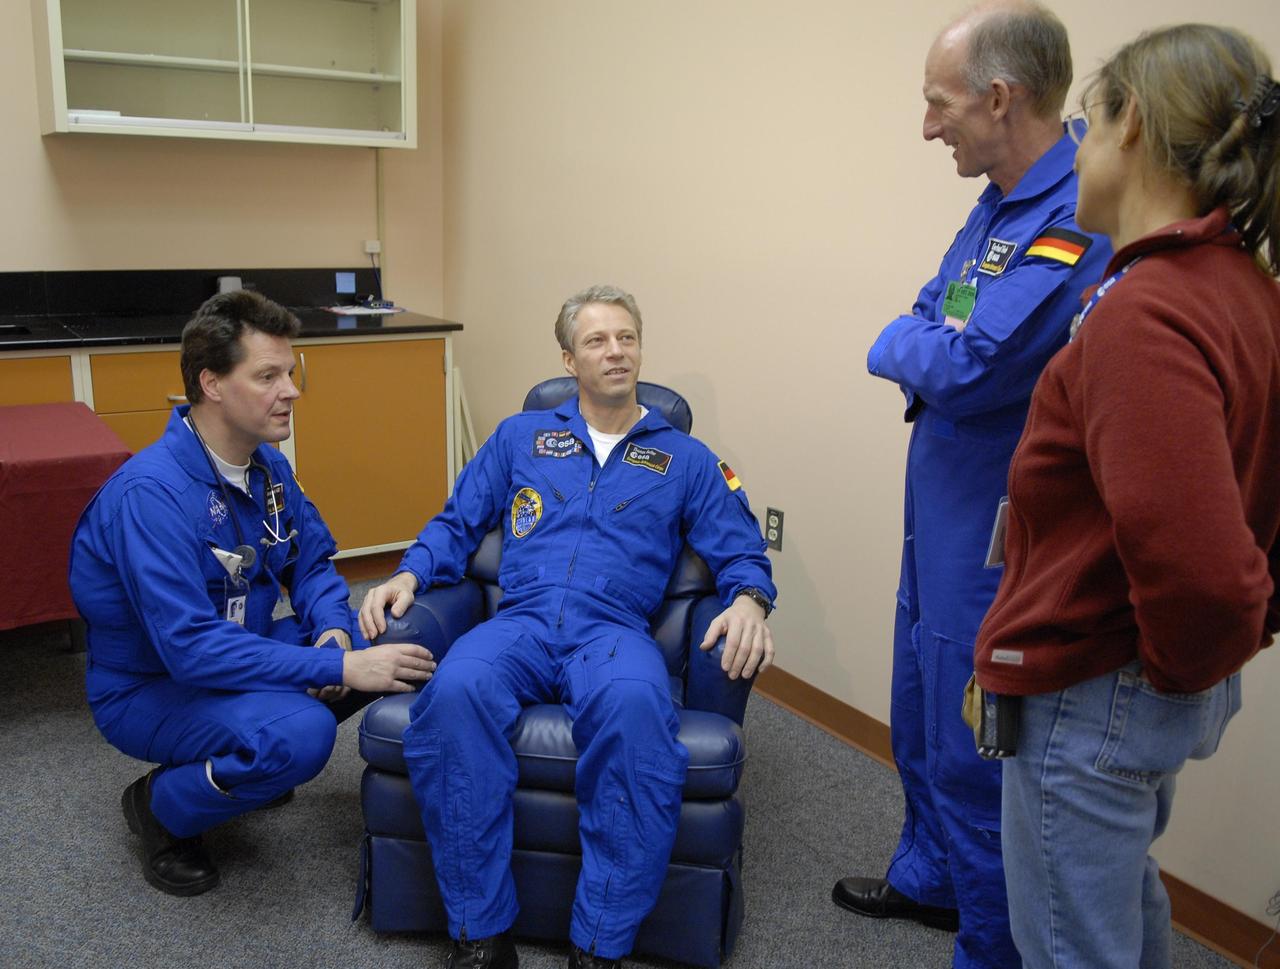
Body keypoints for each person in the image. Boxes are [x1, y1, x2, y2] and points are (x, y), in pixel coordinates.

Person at [974, 24, 1280, 969]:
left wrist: (1155, 675)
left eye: (1087, 123)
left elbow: (1204, 572)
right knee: (1115, 904)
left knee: (1069, 945)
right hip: (1138, 685)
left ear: (1132, 125)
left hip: (1098, 686)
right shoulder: (1238, 286)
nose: (1079, 148)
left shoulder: (1148, 312)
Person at [358, 284, 776, 969]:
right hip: (518, 622)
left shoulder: (688, 459)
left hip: (612, 632)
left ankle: (601, 940)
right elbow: (458, 520)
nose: (615, 351)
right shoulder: (520, 436)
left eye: (626, 337)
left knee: (638, 713)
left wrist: (751, 600)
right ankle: (481, 932)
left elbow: (741, 548)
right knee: (455, 691)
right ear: (568, 358)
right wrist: (410, 570)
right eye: (596, 340)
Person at [834, 3, 1111, 966]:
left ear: (1001, 97)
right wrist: (926, 343)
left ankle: (988, 947)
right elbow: (936, 317)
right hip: (940, 496)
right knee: (918, 697)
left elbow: (963, 363)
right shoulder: (996, 200)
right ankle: (930, 878)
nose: (928, 126)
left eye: (938, 103)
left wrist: (910, 347)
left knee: (969, 743)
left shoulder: (1076, 214)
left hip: (995, 517)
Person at [69, 290, 434, 897]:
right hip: (155, 685)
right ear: (211, 384)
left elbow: (311, 562)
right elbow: (189, 649)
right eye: (268, 376)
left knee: (399, 634)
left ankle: (254, 751)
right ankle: (160, 809)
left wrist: (334, 630)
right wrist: (336, 663)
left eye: (288, 373)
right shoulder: (150, 497)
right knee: (302, 736)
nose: (291, 390)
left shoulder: (266, 466)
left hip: (241, 646)